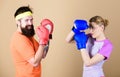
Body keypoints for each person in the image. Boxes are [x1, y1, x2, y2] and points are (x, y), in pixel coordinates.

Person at [10, 6, 54, 77]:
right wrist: (43, 41)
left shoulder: (28, 36)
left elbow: (43, 54)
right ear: (18, 22)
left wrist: (48, 36)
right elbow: (35, 62)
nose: (30, 23)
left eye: (31, 20)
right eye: (27, 20)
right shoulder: (19, 39)